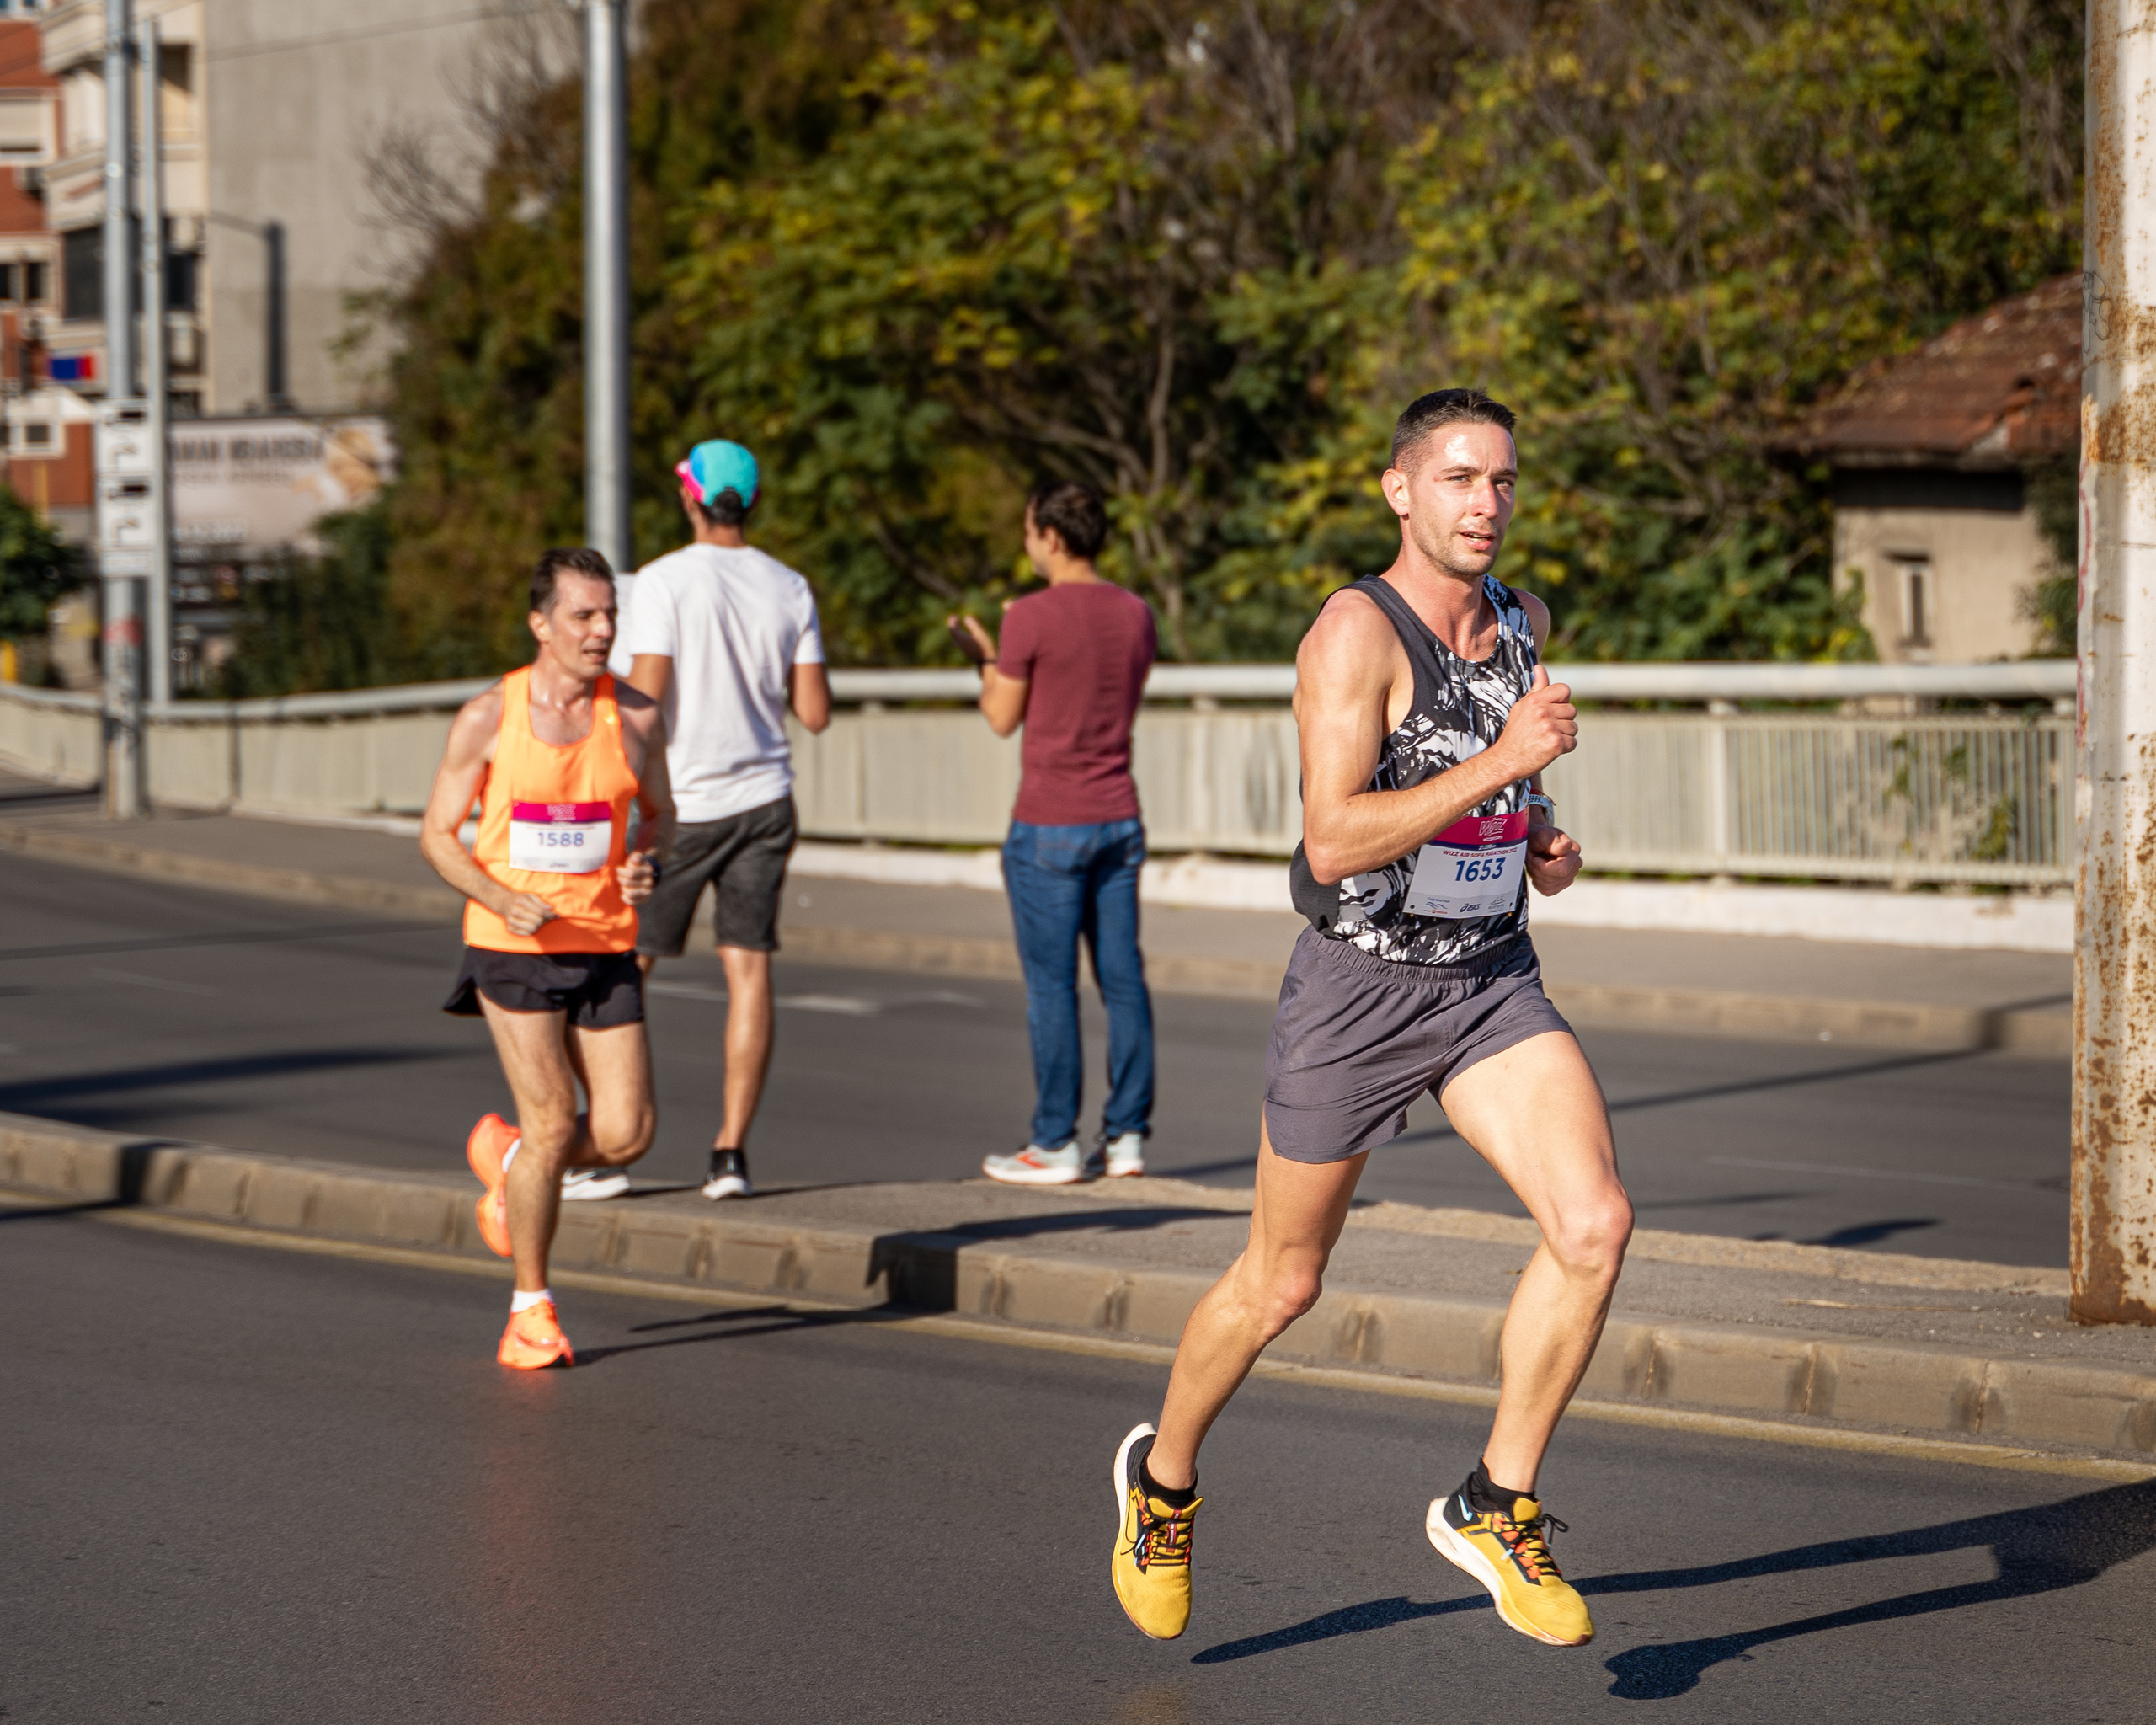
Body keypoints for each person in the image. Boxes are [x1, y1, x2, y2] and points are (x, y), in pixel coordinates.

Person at [1107, 389, 1630, 1648]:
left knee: (1595, 1224)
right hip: (1360, 992)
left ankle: (1494, 1502)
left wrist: (1538, 835)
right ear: (1400, 490)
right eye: (1458, 479)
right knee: (1282, 1281)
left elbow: (1506, 787)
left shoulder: (1522, 621)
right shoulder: (1355, 636)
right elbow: (1335, 838)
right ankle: (1162, 1484)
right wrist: (1504, 765)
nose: (1486, 504)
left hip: (1490, 979)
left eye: (1502, 480)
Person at [419, 547, 674, 1369]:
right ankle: (530, 1307)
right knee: (555, 1118)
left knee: (627, 1132)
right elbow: (436, 834)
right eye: (584, 616)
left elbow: (659, 818)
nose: (602, 630)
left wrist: (647, 860)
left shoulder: (634, 715)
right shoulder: (488, 715)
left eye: (610, 616)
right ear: (541, 624)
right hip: (513, 943)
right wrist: (498, 896)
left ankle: (511, 1161)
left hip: (604, 940)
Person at [617, 439, 831, 1201]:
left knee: (629, 967)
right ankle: (730, 1154)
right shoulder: (790, 585)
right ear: (754, 502)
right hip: (766, 800)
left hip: (686, 805)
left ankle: (617, 1139)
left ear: (689, 497)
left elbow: (644, 698)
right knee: (748, 969)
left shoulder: (663, 581)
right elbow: (814, 711)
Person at [947, 481, 1157, 1186]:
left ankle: (1053, 1142)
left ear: (1053, 537)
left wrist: (984, 653)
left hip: (1049, 823)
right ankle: (1126, 1137)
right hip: (1119, 816)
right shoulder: (1137, 614)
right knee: (1123, 980)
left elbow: (1002, 716)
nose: (1027, 542)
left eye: (1030, 530)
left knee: (1052, 987)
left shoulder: (1028, 617)